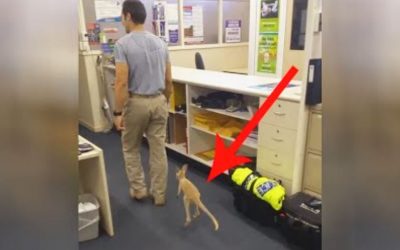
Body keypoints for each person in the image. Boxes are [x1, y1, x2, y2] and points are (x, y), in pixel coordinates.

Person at [113, 0, 173, 206]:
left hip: (137, 103)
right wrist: (166, 100)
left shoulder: (122, 45)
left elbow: (121, 82)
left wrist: (117, 112)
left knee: (131, 148)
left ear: (128, 15)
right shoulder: (161, 43)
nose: (122, 21)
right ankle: (159, 194)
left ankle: (139, 190)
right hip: (159, 101)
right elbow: (168, 80)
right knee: (158, 148)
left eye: (122, 16)